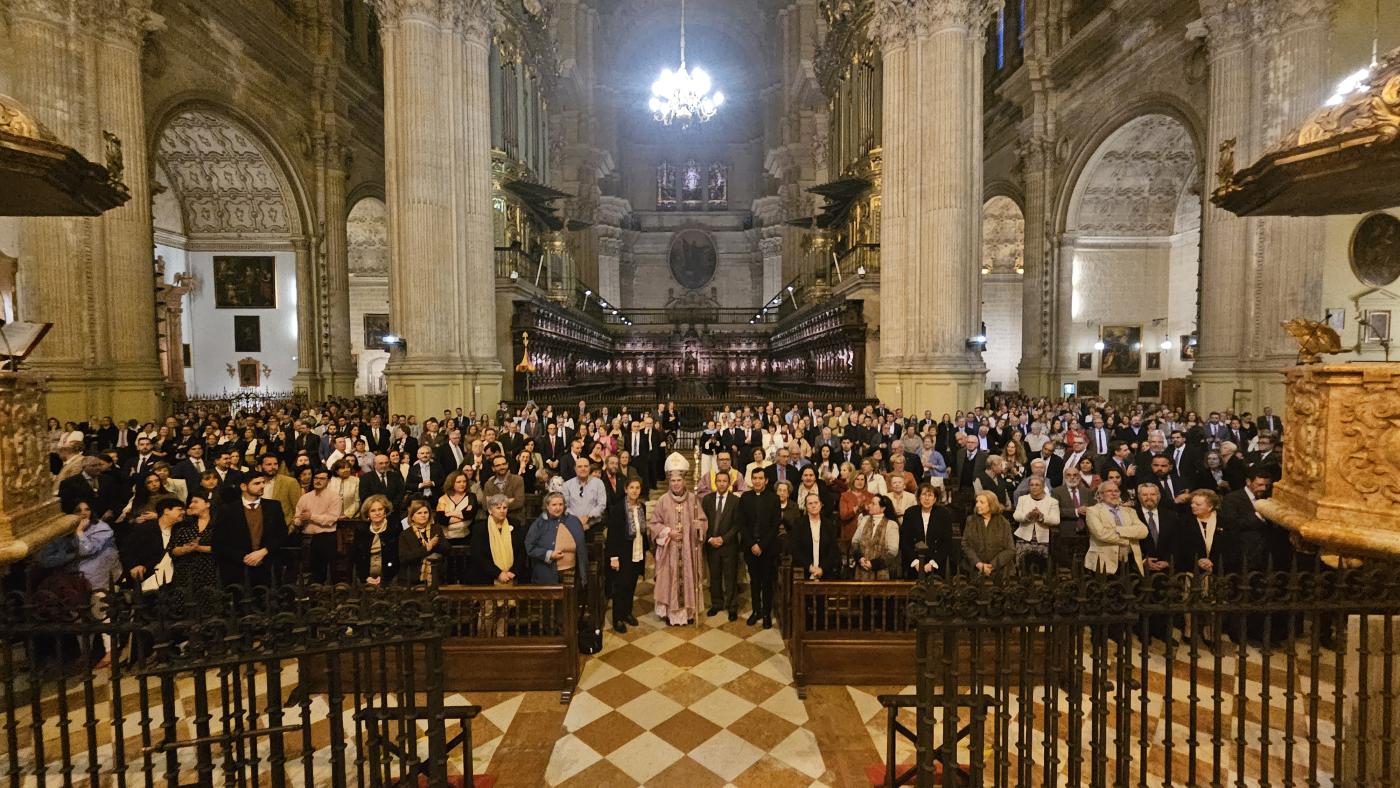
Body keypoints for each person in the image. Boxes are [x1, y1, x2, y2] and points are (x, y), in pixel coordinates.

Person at [647, 453, 708, 626]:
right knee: (669, 579)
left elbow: (703, 522)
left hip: (688, 550)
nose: (675, 483)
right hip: (669, 551)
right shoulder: (662, 501)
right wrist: (667, 532)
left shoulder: (693, 500)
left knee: (688, 578)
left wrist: (699, 526)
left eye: (678, 480)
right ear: (669, 482)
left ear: (684, 481)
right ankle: (669, 613)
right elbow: (653, 524)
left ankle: (687, 613)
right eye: (672, 481)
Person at [213, 473, 287, 588]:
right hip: (238, 569)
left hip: (267, 566)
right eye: (257, 483)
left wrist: (263, 551)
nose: (262, 486)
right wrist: (246, 557)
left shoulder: (273, 506)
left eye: (263, 482)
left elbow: (282, 535)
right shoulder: (227, 510)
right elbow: (219, 543)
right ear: (243, 487)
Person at [737, 466, 782, 628]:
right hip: (750, 548)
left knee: (767, 582)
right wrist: (752, 544)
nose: (757, 481)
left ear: (766, 480)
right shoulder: (745, 497)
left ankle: (766, 613)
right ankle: (756, 611)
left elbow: (775, 525)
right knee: (754, 582)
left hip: (768, 548)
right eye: (754, 478)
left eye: (760, 478)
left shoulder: (773, 498)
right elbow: (742, 524)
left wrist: (761, 545)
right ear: (751, 480)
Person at [606, 479, 649, 632]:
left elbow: (642, 532)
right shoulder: (618, 509)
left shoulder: (641, 506)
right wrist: (614, 557)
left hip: (636, 552)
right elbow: (613, 535)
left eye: (637, 488)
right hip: (622, 553)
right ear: (626, 489)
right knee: (620, 586)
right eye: (632, 488)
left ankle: (627, 613)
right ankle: (617, 618)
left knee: (631, 585)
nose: (635, 491)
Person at [700, 472, 741, 621]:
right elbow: (703, 521)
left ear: (729, 483)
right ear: (715, 483)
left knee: (730, 578)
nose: (722, 483)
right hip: (712, 545)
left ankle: (732, 606)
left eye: (725, 481)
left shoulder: (735, 501)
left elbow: (737, 524)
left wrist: (723, 539)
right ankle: (717, 604)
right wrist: (710, 538)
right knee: (715, 577)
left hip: (729, 545)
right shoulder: (707, 500)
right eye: (719, 481)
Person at [1084, 480, 1147, 576]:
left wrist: (1118, 530)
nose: (1113, 494)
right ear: (1100, 495)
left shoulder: (1130, 511)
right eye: (1109, 491)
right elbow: (1101, 534)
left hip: (1130, 562)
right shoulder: (1093, 511)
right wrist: (1128, 539)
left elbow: (1143, 531)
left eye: (1116, 491)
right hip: (1103, 563)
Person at [525, 491, 588, 587]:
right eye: (554, 505)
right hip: (547, 574)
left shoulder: (574, 521)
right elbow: (529, 547)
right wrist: (549, 554)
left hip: (571, 573)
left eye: (560, 504)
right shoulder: (539, 524)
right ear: (547, 506)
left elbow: (582, 549)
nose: (558, 508)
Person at [295, 468, 343, 584]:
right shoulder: (305, 497)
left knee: (329, 572)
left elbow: (331, 519)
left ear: (328, 481)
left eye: (322, 478)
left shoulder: (334, 497)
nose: (318, 481)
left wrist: (311, 517)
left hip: (326, 537)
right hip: (307, 538)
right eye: (316, 478)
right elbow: (297, 518)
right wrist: (300, 520)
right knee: (309, 571)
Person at [900, 484, 956, 577]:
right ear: (919, 497)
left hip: (936, 563)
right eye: (923, 495)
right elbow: (905, 541)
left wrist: (933, 563)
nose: (927, 498)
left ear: (935, 499)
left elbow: (947, 542)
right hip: (914, 562)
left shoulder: (944, 514)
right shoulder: (910, 513)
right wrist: (916, 562)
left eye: (930, 495)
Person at [170, 492, 217, 589]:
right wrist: (185, 549)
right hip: (186, 573)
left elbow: (222, 547)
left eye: (195, 502)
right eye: (191, 502)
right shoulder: (183, 525)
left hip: (211, 571)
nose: (191, 505)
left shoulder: (218, 524)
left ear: (207, 504)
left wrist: (199, 548)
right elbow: (173, 550)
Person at [1011, 476, 1059, 572]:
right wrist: (1027, 516)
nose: (1034, 487)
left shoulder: (1052, 502)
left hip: (1042, 540)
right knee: (1022, 568)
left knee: (1040, 569)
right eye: (1031, 485)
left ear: (1043, 486)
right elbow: (1016, 516)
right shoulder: (1022, 499)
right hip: (1024, 539)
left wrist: (1041, 517)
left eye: (1037, 485)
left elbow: (1056, 520)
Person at [962, 491, 1016, 577]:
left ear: (991, 505)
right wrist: (978, 564)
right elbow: (966, 545)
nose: (977, 505)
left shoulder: (1003, 522)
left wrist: (991, 566)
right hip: (975, 571)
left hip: (1000, 572)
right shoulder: (971, 520)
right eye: (977, 502)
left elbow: (1010, 549)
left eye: (982, 502)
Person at [789, 492, 841, 581]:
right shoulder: (798, 524)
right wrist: (810, 567)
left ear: (820, 505)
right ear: (806, 506)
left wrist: (822, 569)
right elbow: (795, 548)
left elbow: (833, 550)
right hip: (804, 572)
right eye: (810, 503)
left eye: (816, 503)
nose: (813, 506)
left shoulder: (829, 524)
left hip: (825, 573)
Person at [850, 494, 900, 580]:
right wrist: (860, 558)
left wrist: (873, 564)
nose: (869, 505)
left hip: (882, 572)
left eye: (873, 504)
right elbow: (855, 541)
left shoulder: (891, 524)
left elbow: (892, 551)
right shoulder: (865, 519)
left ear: (882, 508)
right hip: (862, 569)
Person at [355, 494, 401, 586]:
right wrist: (365, 577)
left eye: (380, 509)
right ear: (368, 514)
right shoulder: (361, 530)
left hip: (390, 576)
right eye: (373, 511)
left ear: (385, 511)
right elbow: (356, 558)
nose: (377, 513)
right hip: (366, 578)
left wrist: (384, 578)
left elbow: (397, 557)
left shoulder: (395, 528)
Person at [399, 499, 447, 586]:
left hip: (436, 575)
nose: (423, 515)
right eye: (419, 513)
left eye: (425, 512)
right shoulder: (405, 534)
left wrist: (435, 545)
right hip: (413, 577)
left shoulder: (436, 529)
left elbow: (446, 549)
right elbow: (404, 557)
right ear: (412, 516)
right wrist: (427, 548)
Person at [562, 456, 607, 531]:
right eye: (579, 466)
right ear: (575, 469)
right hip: (572, 525)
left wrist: (588, 517)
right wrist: (577, 519)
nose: (583, 469)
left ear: (589, 468)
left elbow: (602, 504)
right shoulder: (567, 485)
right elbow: (565, 506)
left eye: (586, 466)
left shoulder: (598, 483)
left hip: (594, 525)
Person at [481, 454, 526, 524]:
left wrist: (493, 501)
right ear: (493, 468)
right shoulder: (488, 484)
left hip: (515, 519)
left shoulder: (518, 480)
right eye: (498, 465)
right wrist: (509, 500)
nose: (502, 467)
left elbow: (519, 502)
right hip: (494, 521)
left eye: (503, 464)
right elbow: (485, 505)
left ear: (507, 465)